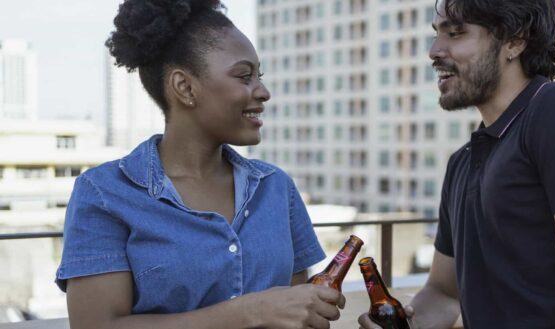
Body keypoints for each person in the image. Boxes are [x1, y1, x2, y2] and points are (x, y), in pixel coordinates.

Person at [55, 1, 344, 328]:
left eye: (259, 76)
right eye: (244, 75)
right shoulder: (105, 193)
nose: (263, 92)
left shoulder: (276, 187)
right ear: (185, 87)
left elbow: (296, 312)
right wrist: (252, 311)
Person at [359, 0, 555, 328]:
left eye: (456, 33)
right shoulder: (462, 162)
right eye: (437, 35)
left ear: (514, 41)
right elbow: (445, 293)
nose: (435, 50)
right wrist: (405, 323)